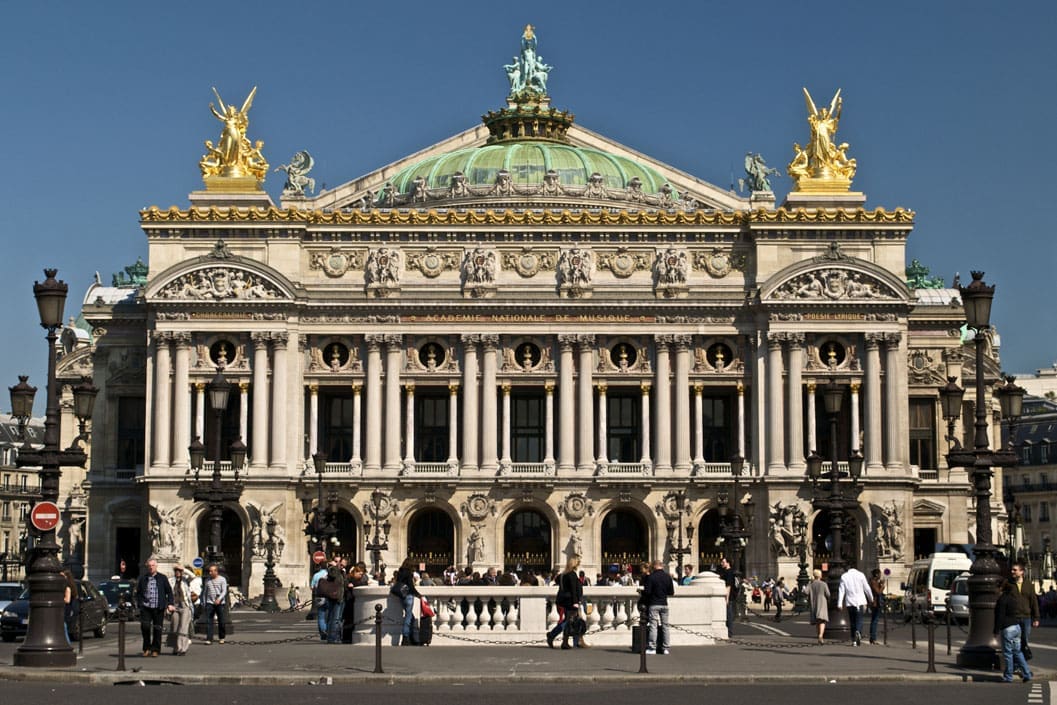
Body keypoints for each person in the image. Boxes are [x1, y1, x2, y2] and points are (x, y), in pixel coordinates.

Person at [995, 579, 1033, 683]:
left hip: (1007, 628)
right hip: (1016, 627)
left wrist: (996, 630)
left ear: (1000, 588)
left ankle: (1008, 676)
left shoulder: (1002, 599)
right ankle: (1027, 673)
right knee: (1018, 651)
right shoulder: (1013, 598)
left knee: (1007, 653)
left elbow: (1000, 616)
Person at [546, 555, 587, 649]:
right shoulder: (572, 574)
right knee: (568, 622)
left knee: (568, 621)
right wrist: (575, 602)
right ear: (575, 564)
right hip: (570, 601)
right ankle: (552, 635)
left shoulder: (562, 574)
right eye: (578, 563)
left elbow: (556, 580)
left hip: (564, 600)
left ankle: (566, 642)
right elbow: (573, 589)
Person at [136, 558, 175, 656]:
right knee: (145, 627)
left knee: (157, 629)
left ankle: (155, 650)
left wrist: (170, 604)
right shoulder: (143, 578)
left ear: (156, 566)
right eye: (149, 566)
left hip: (158, 607)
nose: (151, 567)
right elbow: (139, 592)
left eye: (153, 565)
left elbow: (169, 592)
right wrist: (140, 604)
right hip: (146, 607)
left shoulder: (162, 578)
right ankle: (146, 648)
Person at [641, 558, 675, 655]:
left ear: (655, 566)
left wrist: (642, 591)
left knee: (653, 626)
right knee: (665, 626)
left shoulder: (651, 577)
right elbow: (671, 592)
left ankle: (652, 647)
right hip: (664, 604)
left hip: (654, 604)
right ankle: (665, 648)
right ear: (661, 566)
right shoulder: (667, 577)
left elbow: (647, 592)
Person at [838, 564, 874, 646]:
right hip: (860, 601)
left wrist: (839, 603)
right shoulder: (861, 575)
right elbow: (867, 588)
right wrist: (871, 598)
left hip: (850, 602)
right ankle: (858, 631)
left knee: (852, 620)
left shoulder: (844, 576)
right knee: (859, 619)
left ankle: (854, 640)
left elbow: (841, 590)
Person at [1010, 562, 1040, 659]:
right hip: (1013, 617)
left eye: (1015, 570)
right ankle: (1017, 664)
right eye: (1012, 569)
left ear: (1021, 571)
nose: (1012, 571)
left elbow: (1034, 602)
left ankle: (1022, 664)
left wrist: (1036, 618)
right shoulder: (1009, 584)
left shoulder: (1029, 585)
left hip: (1026, 618)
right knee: (1014, 642)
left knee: (1024, 641)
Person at [393, 557, 422, 646]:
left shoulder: (400, 572)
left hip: (401, 595)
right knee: (408, 616)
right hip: (408, 595)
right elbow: (411, 587)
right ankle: (405, 637)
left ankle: (412, 636)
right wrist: (418, 595)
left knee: (410, 616)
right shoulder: (409, 573)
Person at [168, 564, 194, 655]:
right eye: (176, 571)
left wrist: (184, 569)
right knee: (175, 625)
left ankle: (182, 648)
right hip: (174, 605)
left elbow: (193, 576)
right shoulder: (170, 581)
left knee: (183, 627)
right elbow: (167, 593)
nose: (178, 572)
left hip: (185, 605)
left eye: (179, 571)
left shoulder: (185, 580)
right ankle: (175, 647)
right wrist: (168, 605)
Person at [200, 563, 228, 645]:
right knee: (209, 621)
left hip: (220, 603)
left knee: (221, 620)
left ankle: (222, 637)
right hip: (210, 602)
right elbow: (205, 592)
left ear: (216, 572)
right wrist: (204, 602)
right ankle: (209, 638)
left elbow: (224, 591)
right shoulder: (207, 580)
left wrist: (219, 599)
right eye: (209, 571)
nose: (210, 573)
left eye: (211, 571)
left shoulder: (222, 579)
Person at [808, 569, 830, 644]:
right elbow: (828, 594)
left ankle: (818, 635)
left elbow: (805, 592)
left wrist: (810, 582)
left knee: (817, 621)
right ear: (820, 575)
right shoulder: (823, 584)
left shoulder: (811, 584)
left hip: (814, 603)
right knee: (822, 620)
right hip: (822, 603)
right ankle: (821, 635)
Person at [868, 568, 885, 645]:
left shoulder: (874, 582)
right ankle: (873, 638)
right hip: (875, 603)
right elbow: (878, 592)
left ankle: (872, 638)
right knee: (874, 621)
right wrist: (882, 587)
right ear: (876, 575)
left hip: (875, 603)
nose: (880, 575)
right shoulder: (873, 582)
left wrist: (880, 584)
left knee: (874, 620)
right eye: (880, 574)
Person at [62, 569, 77, 645]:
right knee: (63, 627)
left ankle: (68, 644)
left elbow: (67, 600)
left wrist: (60, 599)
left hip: (66, 609)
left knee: (63, 627)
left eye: (63, 576)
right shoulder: (70, 586)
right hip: (67, 609)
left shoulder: (67, 588)